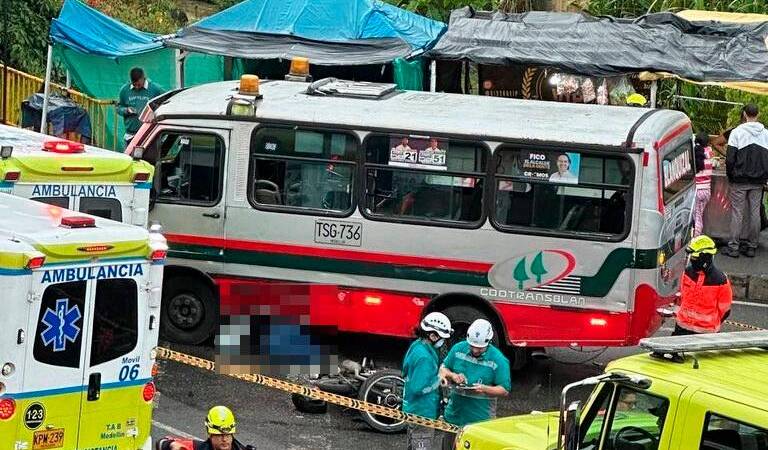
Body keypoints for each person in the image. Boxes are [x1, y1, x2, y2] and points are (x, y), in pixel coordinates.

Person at [438, 319, 511, 447]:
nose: (475, 350)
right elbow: (443, 368)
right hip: (454, 416)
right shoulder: (458, 349)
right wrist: (453, 375)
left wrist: (484, 389)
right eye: (472, 346)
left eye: (480, 348)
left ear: (489, 342)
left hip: (480, 421)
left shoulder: (499, 360)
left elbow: (504, 389)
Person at [402, 312, 453, 450]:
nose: (443, 342)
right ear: (433, 336)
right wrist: (438, 379)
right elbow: (418, 388)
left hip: (414, 407)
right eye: (442, 338)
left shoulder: (418, 345)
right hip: (422, 412)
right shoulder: (424, 357)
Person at [723, 104, 768, 258]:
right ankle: (752, 246)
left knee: (737, 212)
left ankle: (734, 246)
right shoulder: (766, 134)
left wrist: (731, 175)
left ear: (744, 114)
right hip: (758, 180)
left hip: (739, 179)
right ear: (758, 114)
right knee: (754, 212)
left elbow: (730, 159)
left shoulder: (737, 132)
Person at [673, 235, 733, 336]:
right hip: (682, 328)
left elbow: (725, 311)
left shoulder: (720, 281)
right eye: (691, 257)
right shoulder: (687, 273)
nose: (692, 260)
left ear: (706, 257)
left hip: (706, 334)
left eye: (695, 257)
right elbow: (683, 297)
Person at [157, 406, 253, 450]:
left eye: (228, 435)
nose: (224, 439)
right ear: (210, 435)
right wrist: (172, 445)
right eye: (219, 435)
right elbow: (161, 442)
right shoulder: (197, 447)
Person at [117, 67, 165, 149]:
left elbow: (166, 103)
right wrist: (126, 110)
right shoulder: (124, 90)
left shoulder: (155, 89)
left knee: (148, 159)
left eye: (139, 84)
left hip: (150, 134)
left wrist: (155, 114)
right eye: (134, 84)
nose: (137, 87)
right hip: (131, 135)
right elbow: (118, 108)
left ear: (143, 78)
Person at [693, 132, 714, 237]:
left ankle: (696, 238)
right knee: (699, 214)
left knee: (696, 216)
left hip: (696, 190)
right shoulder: (710, 152)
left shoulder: (693, 154)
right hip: (706, 190)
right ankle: (698, 234)